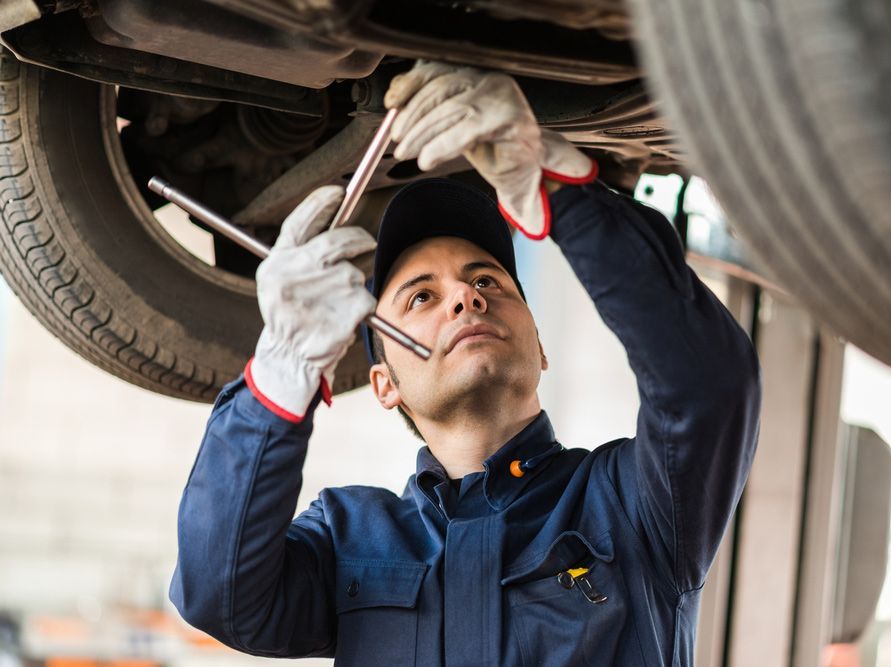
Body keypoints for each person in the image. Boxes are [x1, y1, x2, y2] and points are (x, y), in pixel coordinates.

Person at [169, 61, 762, 666]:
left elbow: (709, 385)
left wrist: (558, 190)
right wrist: (280, 369)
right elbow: (220, 596)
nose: (466, 296)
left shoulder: (631, 504)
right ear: (384, 383)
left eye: (488, 282)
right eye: (422, 296)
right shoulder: (350, 538)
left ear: (541, 347)